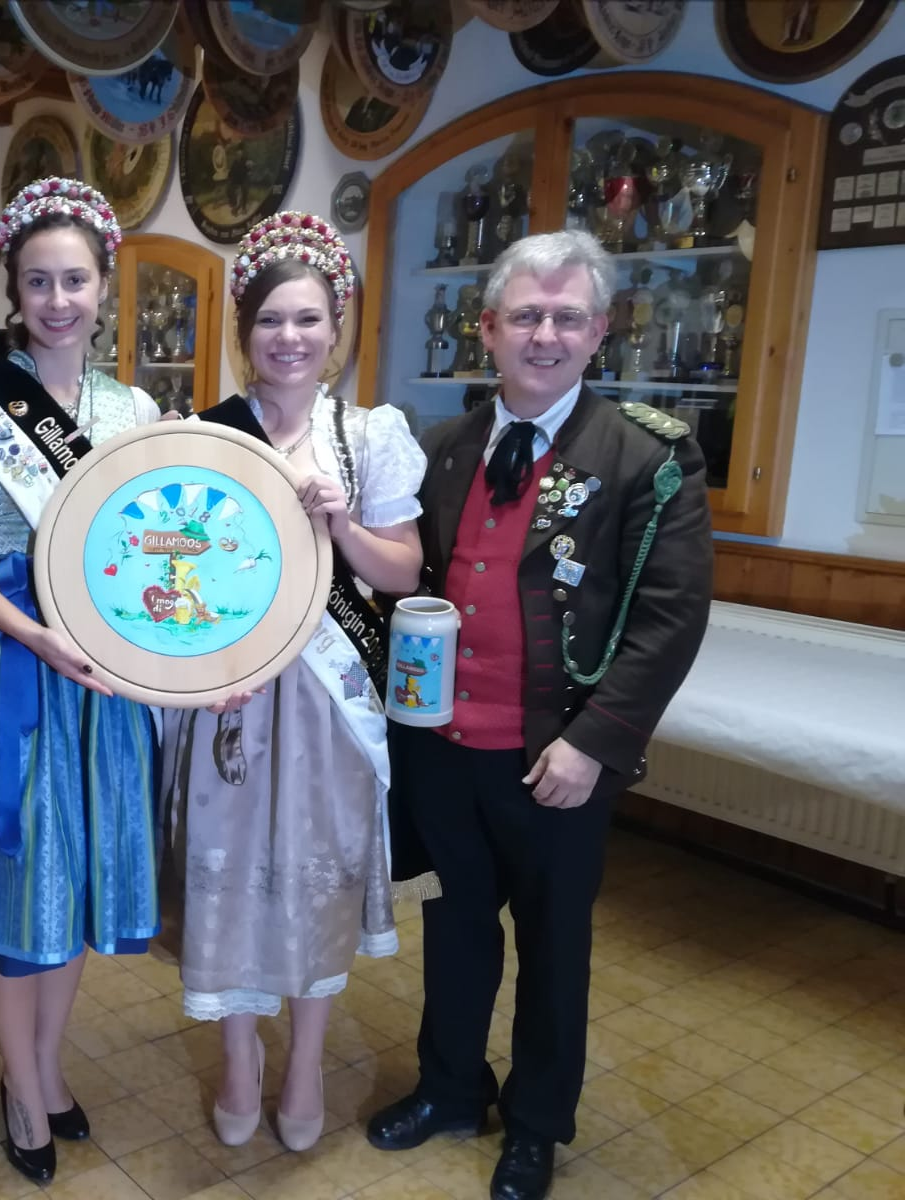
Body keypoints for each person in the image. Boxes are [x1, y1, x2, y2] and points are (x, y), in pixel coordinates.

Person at [364, 229, 713, 1200]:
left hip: (555, 758)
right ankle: (449, 1088)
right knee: (454, 927)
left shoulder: (647, 456)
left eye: (567, 317)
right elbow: (404, 585)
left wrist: (595, 745)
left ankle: (535, 1124)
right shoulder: (440, 449)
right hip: (442, 749)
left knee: (554, 948)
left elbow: (670, 618)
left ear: (599, 331)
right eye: (525, 316)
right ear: (488, 329)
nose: (545, 335)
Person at [0, 178, 163, 1186]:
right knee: (18, 886)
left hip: (103, 678)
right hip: (12, 665)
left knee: (77, 882)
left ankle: (49, 1069)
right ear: (14, 290)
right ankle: (20, 1086)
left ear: (103, 287)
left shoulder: (135, 410)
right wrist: (31, 632)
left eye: (76, 280)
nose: (59, 300)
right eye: (39, 281)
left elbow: (147, 549)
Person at [157, 212, 429, 1154]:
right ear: (245, 331)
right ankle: (239, 1058)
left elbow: (403, 571)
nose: (290, 337)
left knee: (316, 883)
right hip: (228, 695)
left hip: (328, 702)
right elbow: (169, 569)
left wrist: (343, 525)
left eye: (309, 319)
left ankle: (305, 1063)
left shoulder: (369, 435)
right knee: (227, 878)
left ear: (335, 328)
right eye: (271, 319)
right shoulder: (205, 433)